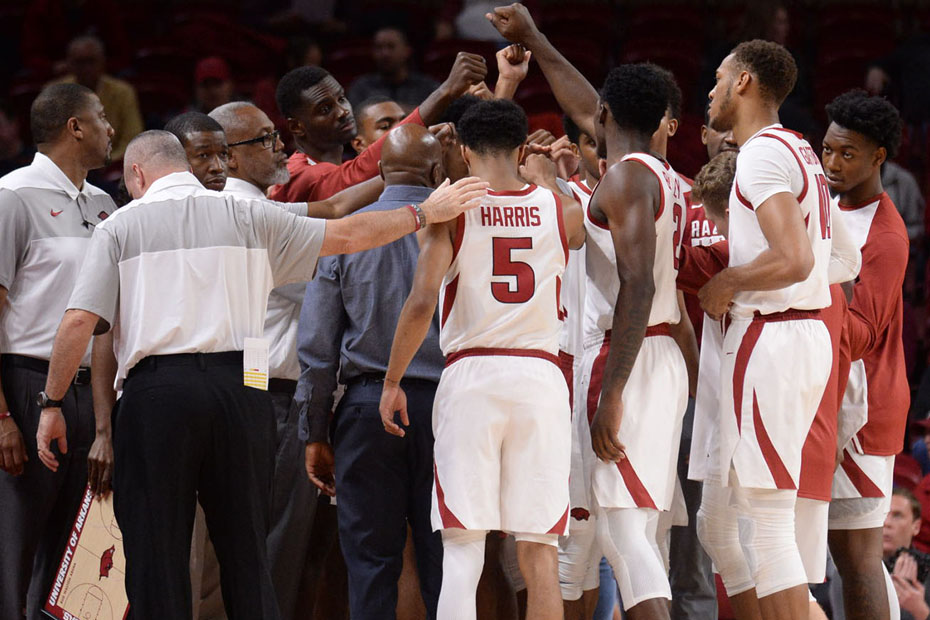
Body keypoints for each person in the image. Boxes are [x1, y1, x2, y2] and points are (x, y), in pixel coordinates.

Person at [33, 129, 487, 619]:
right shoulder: (250, 213)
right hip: (244, 388)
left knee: (155, 555)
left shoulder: (120, 225)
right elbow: (347, 234)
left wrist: (52, 404)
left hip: (155, 393)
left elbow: (80, 321)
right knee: (248, 551)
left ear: (137, 174)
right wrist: (423, 213)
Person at [486, 6, 690, 618]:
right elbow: (584, 107)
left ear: (606, 118)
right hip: (658, 356)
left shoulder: (625, 179)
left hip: (625, 357)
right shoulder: (658, 172)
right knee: (639, 534)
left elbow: (634, 288)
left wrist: (613, 393)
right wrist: (537, 40)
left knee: (626, 538)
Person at [379, 98, 584, 620]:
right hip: (540, 377)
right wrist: (549, 178)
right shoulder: (562, 210)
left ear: (464, 151)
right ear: (522, 149)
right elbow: (578, 224)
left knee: (463, 549)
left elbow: (422, 300)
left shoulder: (450, 209)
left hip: (472, 373)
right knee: (539, 552)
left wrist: (393, 380)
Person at [699, 38, 834, 619]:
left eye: (719, 77)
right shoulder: (799, 149)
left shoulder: (759, 155)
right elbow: (835, 258)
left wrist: (726, 282)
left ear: (745, 83)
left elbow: (796, 259)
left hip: (773, 336)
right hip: (801, 336)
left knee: (769, 519)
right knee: (727, 518)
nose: (711, 89)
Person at [298, 124, 448, 620]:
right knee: (448, 562)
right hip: (445, 408)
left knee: (369, 565)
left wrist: (315, 431)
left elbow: (317, 347)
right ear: (437, 171)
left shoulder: (348, 231)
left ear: (380, 172)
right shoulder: (459, 227)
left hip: (365, 410)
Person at [0, 82, 116, 620]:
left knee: (75, 558)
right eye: (102, 118)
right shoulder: (13, 195)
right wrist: (2, 416)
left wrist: (104, 419)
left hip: (89, 389)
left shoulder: (104, 203)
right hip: (24, 384)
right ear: (75, 127)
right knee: (14, 551)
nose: (112, 128)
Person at [823, 90, 911, 620]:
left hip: (863, 410)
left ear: (879, 156)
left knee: (857, 558)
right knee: (837, 555)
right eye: (828, 150)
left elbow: (860, 333)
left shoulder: (887, 235)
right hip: (830, 395)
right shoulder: (830, 207)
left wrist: (813, 292)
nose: (833, 163)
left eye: (847, 154)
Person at [269, 53, 487, 203]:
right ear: (297, 127)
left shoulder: (340, 168)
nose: (343, 111)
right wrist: (446, 91)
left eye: (342, 99)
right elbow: (360, 172)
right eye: (325, 109)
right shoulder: (296, 174)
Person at [55, 35, 143, 161]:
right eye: (79, 62)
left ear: (103, 62)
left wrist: (106, 161)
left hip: (113, 166)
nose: (86, 68)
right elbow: (51, 139)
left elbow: (132, 139)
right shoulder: (55, 93)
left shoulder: (123, 92)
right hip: (68, 165)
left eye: (91, 61)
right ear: (69, 64)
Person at [348, 27, 440, 110]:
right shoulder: (361, 87)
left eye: (391, 46)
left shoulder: (427, 86)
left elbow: (439, 115)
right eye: (379, 47)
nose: (385, 53)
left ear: (407, 51)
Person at [164, 111, 229, 191]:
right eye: (203, 155)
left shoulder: (239, 202)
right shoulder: (156, 202)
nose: (218, 167)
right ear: (173, 161)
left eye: (223, 153)